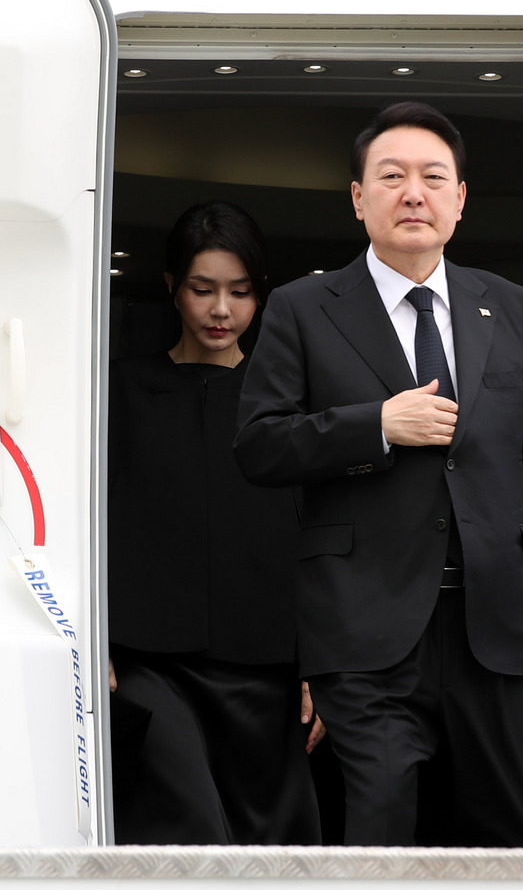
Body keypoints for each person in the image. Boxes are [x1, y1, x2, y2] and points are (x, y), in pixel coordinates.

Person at [234, 102, 523, 847]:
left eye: (433, 178)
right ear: (358, 198)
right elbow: (259, 446)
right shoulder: (304, 307)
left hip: (501, 624)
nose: (413, 194)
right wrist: (376, 425)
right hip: (366, 627)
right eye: (391, 177)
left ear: (460, 198)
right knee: (382, 827)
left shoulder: (509, 305)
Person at [108, 202, 322, 845]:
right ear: (171, 286)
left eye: (240, 291)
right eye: (202, 289)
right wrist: (91, 643)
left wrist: (323, 662)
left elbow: (324, 536)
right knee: (186, 835)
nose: (221, 310)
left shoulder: (294, 406)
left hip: (268, 666)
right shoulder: (116, 393)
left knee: (272, 853)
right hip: (146, 661)